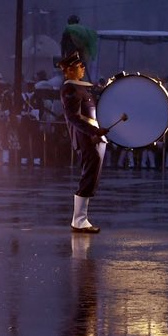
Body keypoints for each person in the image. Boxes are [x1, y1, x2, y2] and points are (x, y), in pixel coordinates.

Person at [58, 51, 109, 233]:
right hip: (86, 137)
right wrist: (94, 131)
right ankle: (79, 220)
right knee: (88, 176)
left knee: (92, 176)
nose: (83, 69)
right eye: (80, 66)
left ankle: (81, 219)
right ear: (70, 70)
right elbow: (73, 118)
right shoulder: (70, 89)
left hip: (94, 136)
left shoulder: (82, 87)